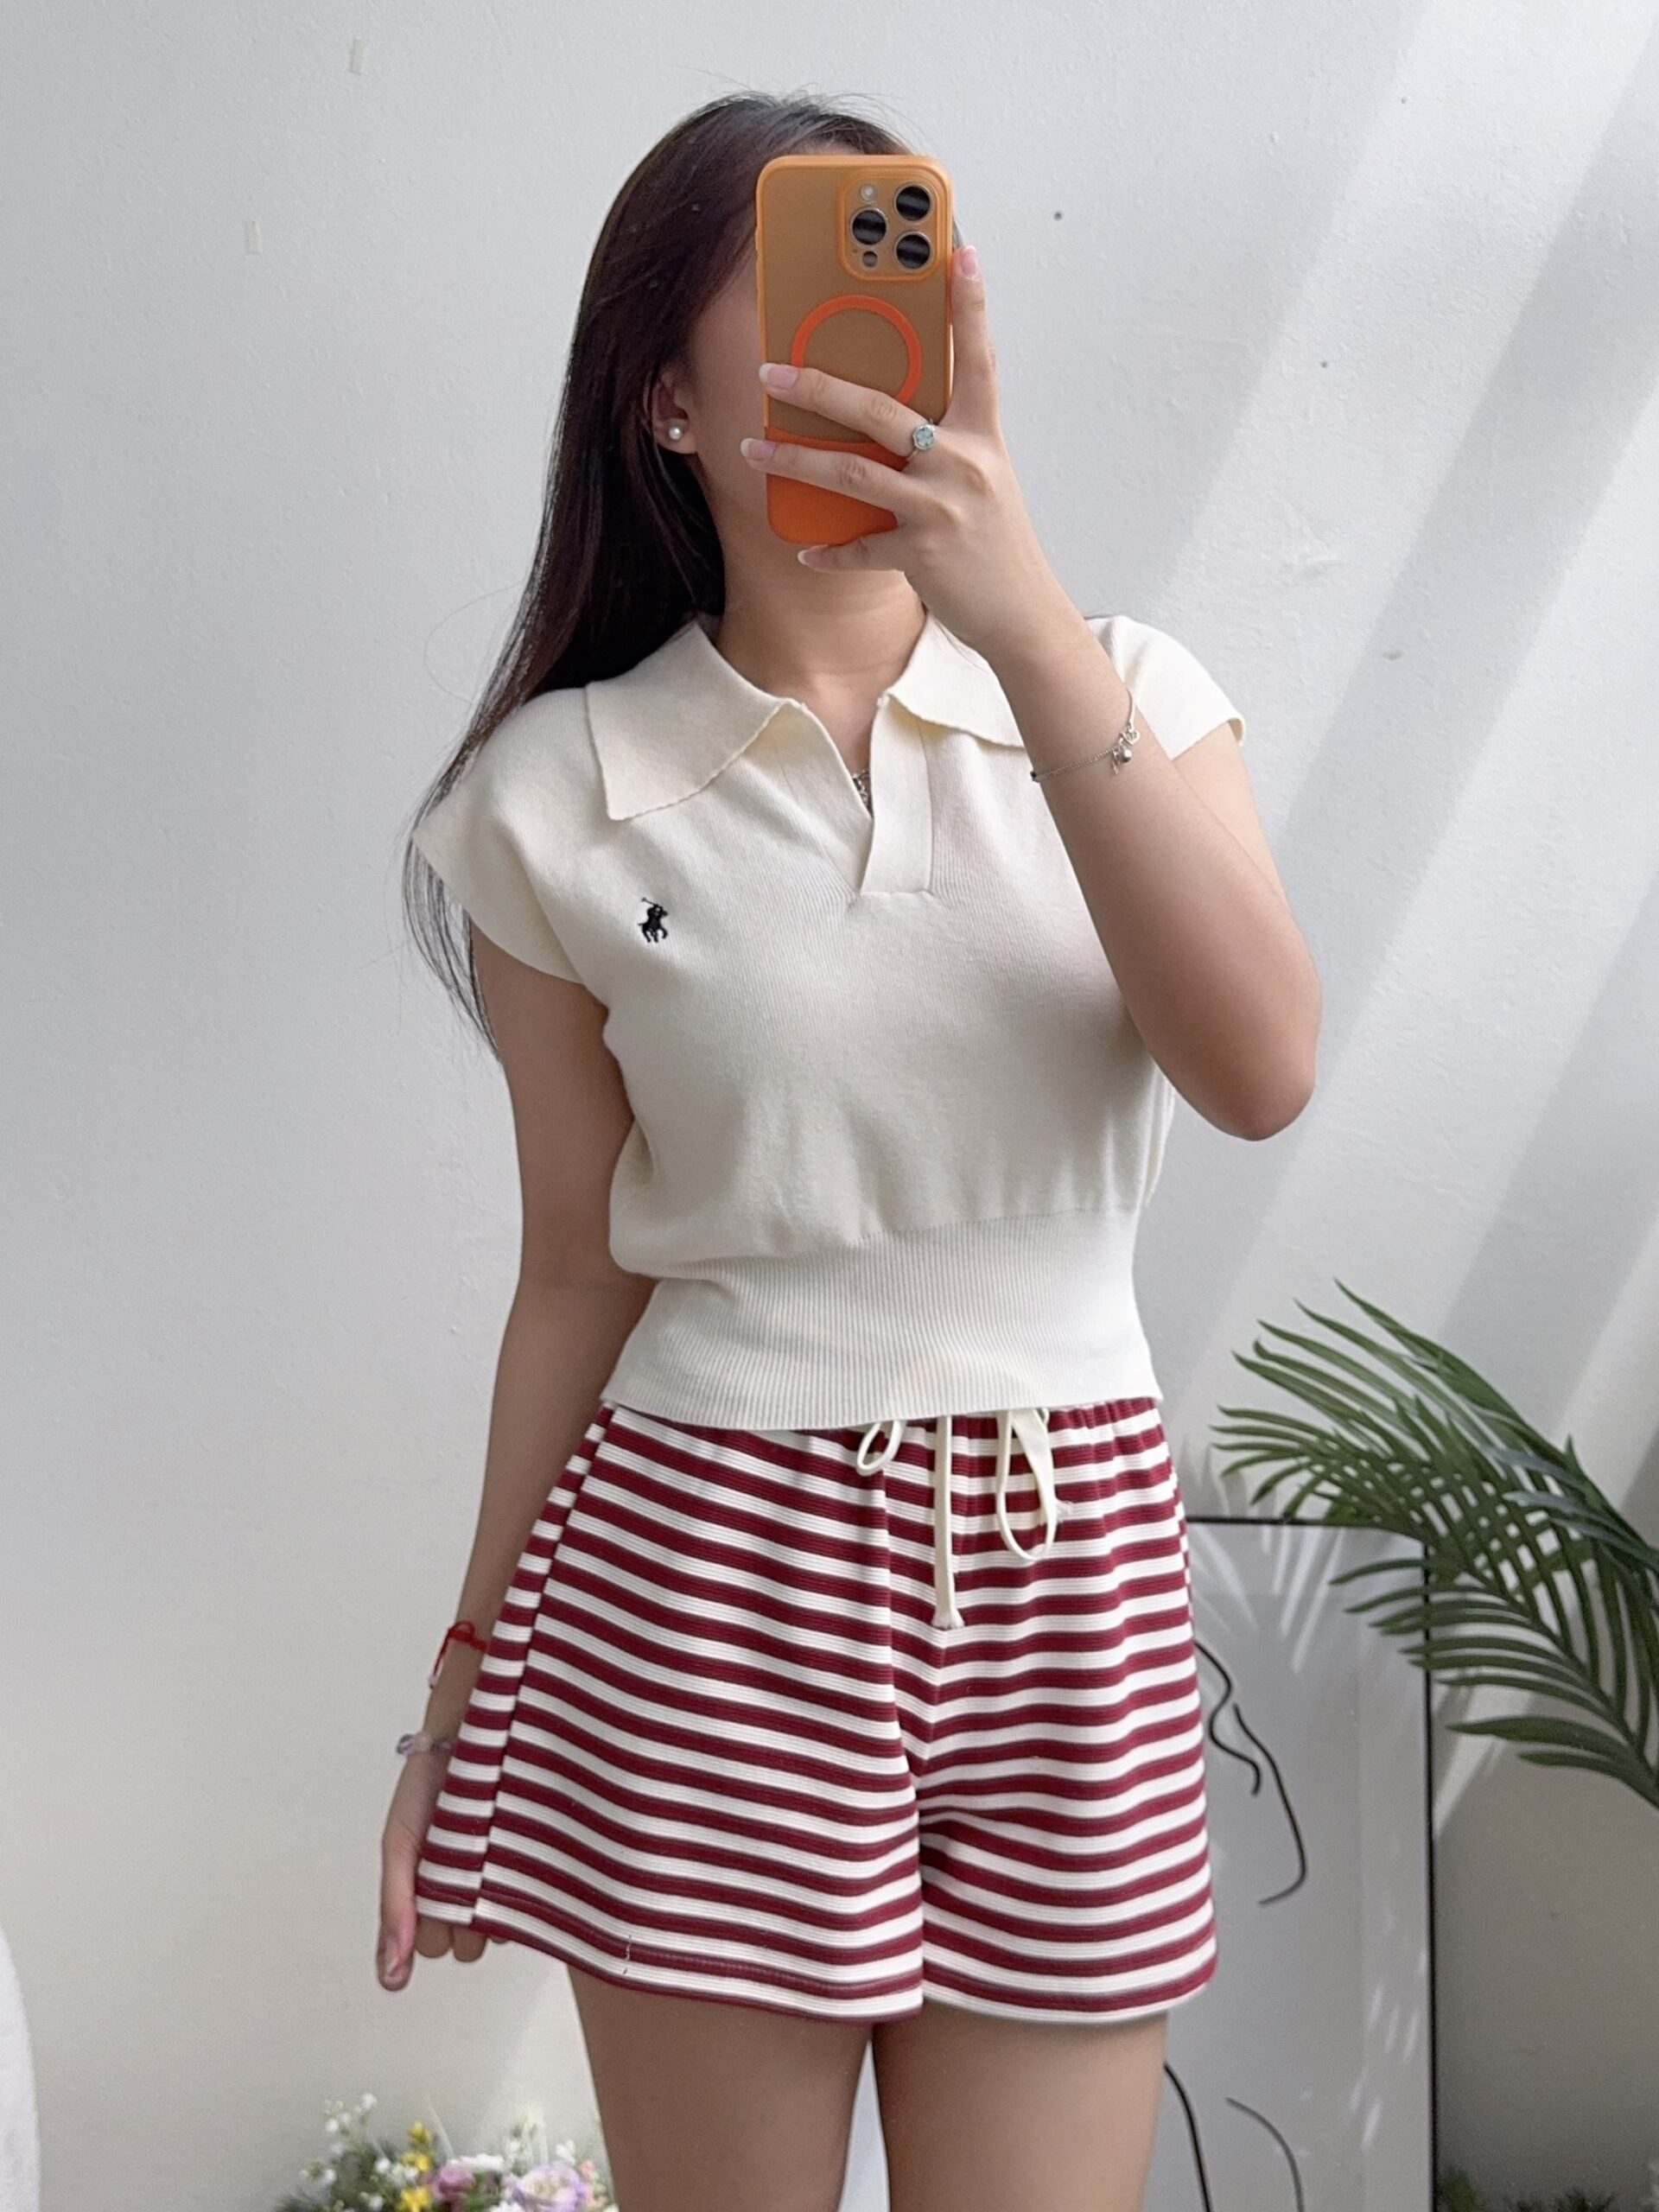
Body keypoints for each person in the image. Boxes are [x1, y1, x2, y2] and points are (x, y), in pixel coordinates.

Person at [379, 89, 1319, 2212]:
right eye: (795, 301)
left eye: (900, 285)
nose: (862, 347)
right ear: (666, 403)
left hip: (1073, 1564)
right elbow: (575, 1272)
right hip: (709, 1571)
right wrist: (464, 1681)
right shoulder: (553, 795)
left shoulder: (1128, 691)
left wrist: (1024, 614)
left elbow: (1260, 1068)